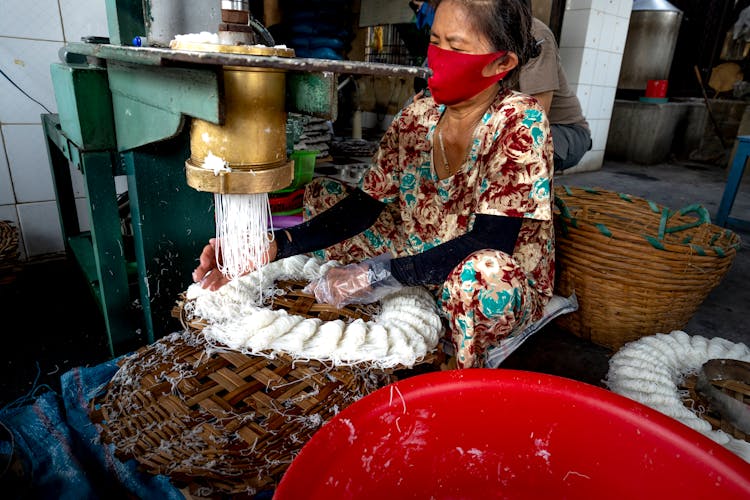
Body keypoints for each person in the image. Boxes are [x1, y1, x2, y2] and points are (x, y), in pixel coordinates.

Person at [193, 0, 554, 369]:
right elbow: (364, 207)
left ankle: (466, 358)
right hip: (424, 244)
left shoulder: (520, 121)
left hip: (490, 270)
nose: (438, 57)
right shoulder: (418, 115)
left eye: (456, 48)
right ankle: (422, 288)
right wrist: (270, 246)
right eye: (435, 41)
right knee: (322, 195)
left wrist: (377, 275)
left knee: (480, 279)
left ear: (502, 63)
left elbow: (489, 240)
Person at [518, 15, 591, 172]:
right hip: (506, 127)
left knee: (513, 146)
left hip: (563, 130)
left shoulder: (534, 34)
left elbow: (535, 119)